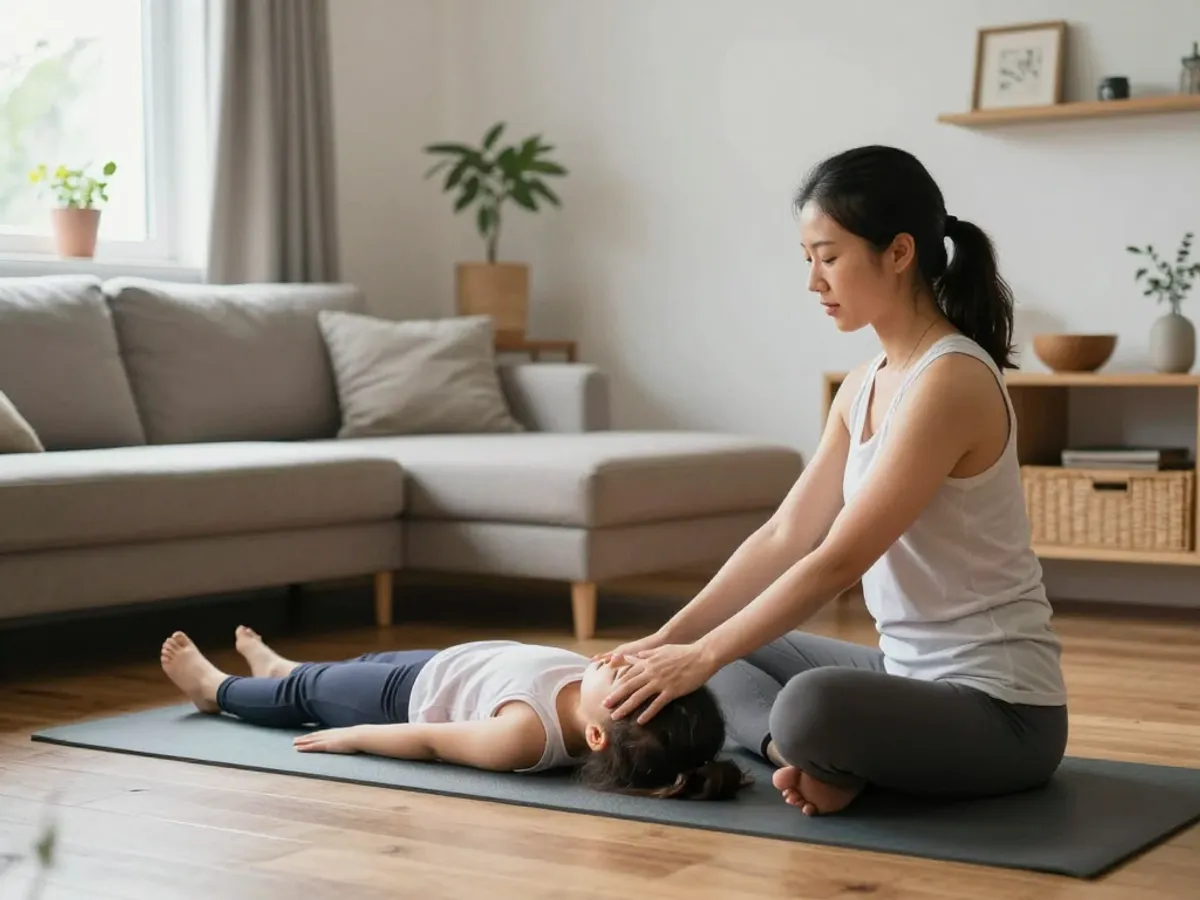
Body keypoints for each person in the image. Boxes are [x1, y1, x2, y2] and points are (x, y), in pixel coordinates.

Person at [596, 144, 1069, 818]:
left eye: (829, 256)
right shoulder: (864, 382)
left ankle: (818, 747)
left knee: (804, 704)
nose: (814, 281)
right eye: (808, 259)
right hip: (904, 678)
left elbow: (838, 558)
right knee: (727, 651)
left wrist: (693, 659)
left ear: (899, 252)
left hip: (1003, 713)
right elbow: (787, 533)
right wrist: (668, 642)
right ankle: (805, 760)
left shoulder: (951, 381)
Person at [159, 625, 747, 800]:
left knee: (315, 693)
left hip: (407, 699)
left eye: (626, 683)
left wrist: (356, 736)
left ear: (595, 733)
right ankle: (280, 668)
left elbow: (433, 741)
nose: (625, 666)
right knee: (351, 662)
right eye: (636, 672)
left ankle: (216, 690)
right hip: (452, 663)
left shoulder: (523, 734)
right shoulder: (596, 692)